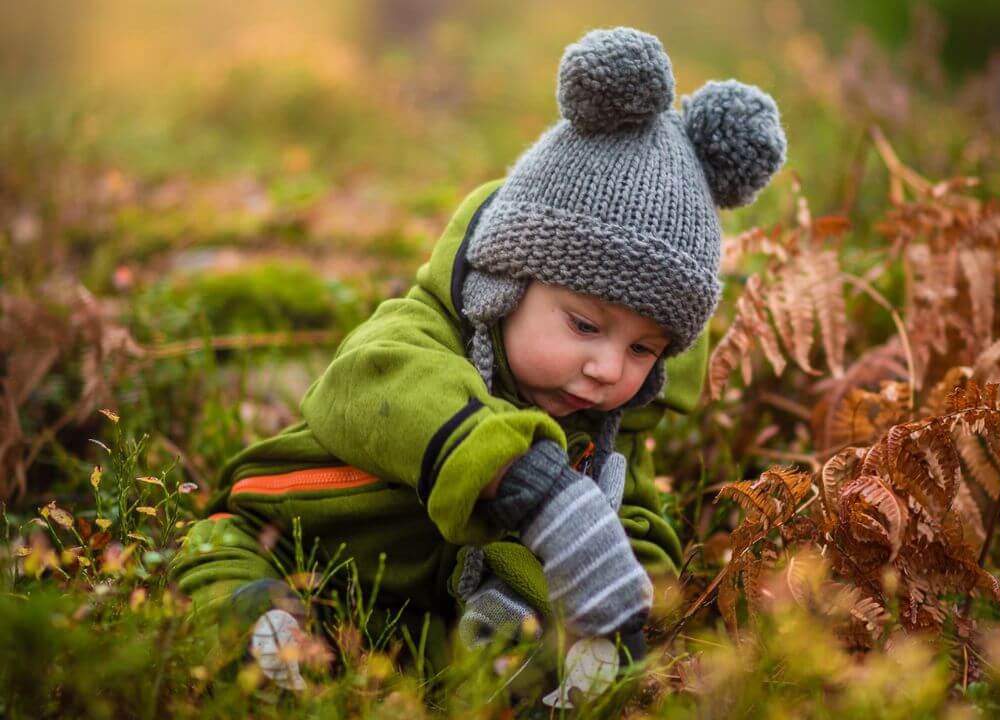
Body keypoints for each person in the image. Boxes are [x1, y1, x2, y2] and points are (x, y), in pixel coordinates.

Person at [170, 26, 785, 690]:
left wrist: (619, 594)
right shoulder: (420, 336)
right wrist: (529, 483)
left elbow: (634, 517)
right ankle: (262, 636)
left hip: (420, 613)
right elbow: (371, 384)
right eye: (584, 325)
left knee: (528, 647)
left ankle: (500, 667)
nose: (609, 368)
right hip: (289, 538)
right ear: (506, 285)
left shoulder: (609, 424)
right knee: (228, 574)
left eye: (642, 348)